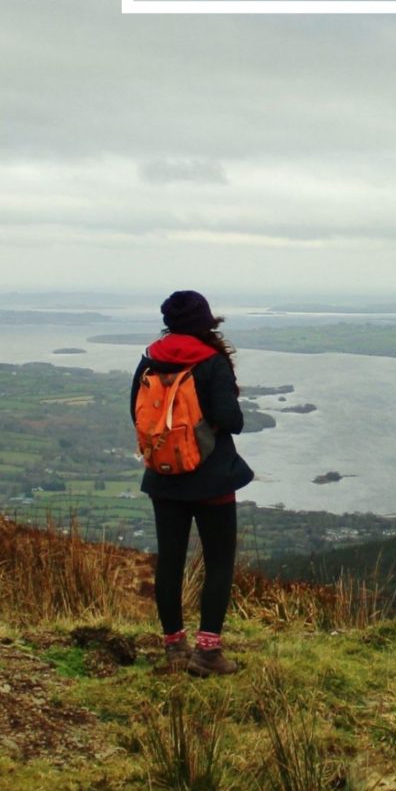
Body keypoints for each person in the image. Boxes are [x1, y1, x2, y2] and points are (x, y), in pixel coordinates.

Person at [130, 290, 254, 676]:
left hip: (163, 477)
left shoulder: (150, 359)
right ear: (206, 322)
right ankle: (208, 652)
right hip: (213, 478)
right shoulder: (211, 361)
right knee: (217, 563)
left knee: (170, 561)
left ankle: (173, 647)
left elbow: (136, 410)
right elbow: (231, 420)